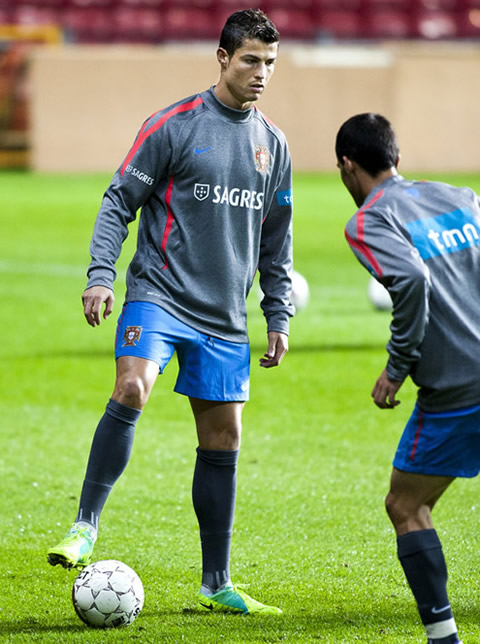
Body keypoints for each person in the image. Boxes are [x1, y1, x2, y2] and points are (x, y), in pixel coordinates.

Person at [48, 8, 294, 616]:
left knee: (224, 435)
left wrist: (278, 315)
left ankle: (215, 582)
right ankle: (85, 525)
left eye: (269, 63)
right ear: (222, 57)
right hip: (158, 295)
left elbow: (276, 241)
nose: (260, 74)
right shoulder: (173, 125)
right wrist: (101, 275)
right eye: (249, 61)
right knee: (132, 388)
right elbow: (118, 201)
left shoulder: (274, 146)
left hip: (223, 318)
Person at [335, 112, 480, 644]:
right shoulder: (461, 196)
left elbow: (413, 278)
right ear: (396, 156)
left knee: (406, 504)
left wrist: (397, 367)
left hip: (460, 388)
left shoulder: (369, 221)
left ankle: (443, 638)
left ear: (348, 166)